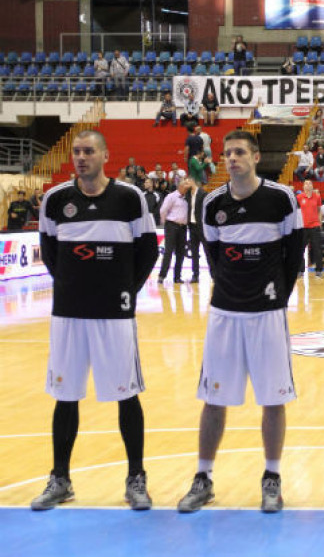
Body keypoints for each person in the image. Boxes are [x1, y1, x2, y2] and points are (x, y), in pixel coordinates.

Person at [177, 130, 303, 514]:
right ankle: (203, 478)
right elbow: (213, 257)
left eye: (239, 153)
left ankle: (272, 478)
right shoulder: (212, 202)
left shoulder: (281, 199)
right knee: (213, 400)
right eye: (228, 153)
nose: (232, 159)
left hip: (267, 314)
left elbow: (293, 254)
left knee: (272, 399)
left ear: (256, 157)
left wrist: (276, 296)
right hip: (224, 313)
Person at [31, 130, 158, 511]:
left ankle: (136, 478)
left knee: (126, 395)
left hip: (115, 315)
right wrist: (72, 286)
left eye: (89, 151)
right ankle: (60, 479)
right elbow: (51, 253)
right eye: (77, 151)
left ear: (105, 155)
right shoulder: (55, 200)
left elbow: (148, 251)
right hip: (68, 314)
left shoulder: (129, 198)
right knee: (65, 396)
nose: (81, 157)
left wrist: (125, 290)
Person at [158, 179, 191, 284]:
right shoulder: (171, 196)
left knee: (181, 253)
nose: (188, 186)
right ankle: (162, 276)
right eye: (186, 184)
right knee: (168, 252)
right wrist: (166, 223)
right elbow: (163, 210)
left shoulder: (188, 198)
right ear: (180, 186)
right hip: (172, 226)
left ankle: (177, 277)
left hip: (183, 228)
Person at [298, 179, 324, 278]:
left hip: (315, 226)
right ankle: (300, 270)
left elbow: (319, 210)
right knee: (300, 249)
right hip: (303, 227)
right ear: (303, 186)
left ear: (312, 186)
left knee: (317, 249)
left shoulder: (317, 196)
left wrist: (319, 222)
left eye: (309, 183)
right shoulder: (299, 197)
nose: (308, 185)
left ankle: (319, 270)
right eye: (306, 183)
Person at [185, 178, 207, 283]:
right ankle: (195, 275)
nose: (186, 183)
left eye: (188, 181)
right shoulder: (188, 195)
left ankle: (214, 275)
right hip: (192, 227)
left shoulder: (203, 194)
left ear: (193, 181)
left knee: (208, 252)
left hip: (202, 227)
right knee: (194, 252)